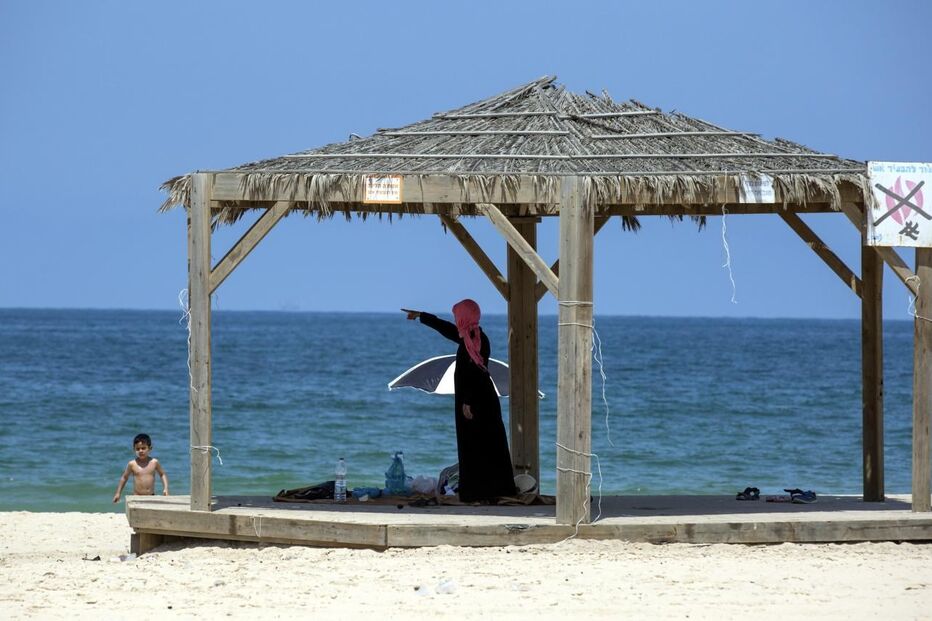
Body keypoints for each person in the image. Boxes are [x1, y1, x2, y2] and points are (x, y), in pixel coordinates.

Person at [403, 299, 516, 502]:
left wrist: (467, 401)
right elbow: (446, 329)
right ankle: (485, 490)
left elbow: (475, 372)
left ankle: (484, 491)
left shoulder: (476, 340)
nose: (456, 320)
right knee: (479, 444)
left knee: (480, 445)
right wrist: (422, 315)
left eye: (458, 316)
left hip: (475, 401)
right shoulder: (469, 337)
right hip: (478, 398)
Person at [112, 433, 169, 502]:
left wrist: (165, 488)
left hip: (151, 496)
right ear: (134, 449)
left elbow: (162, 474)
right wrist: (118, 493)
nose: (140, 451)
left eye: (143, 448)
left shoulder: (154, 462)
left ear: (150, 448)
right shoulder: (132, 464)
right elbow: (124, 478)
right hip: (137, 497)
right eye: (138, 449)